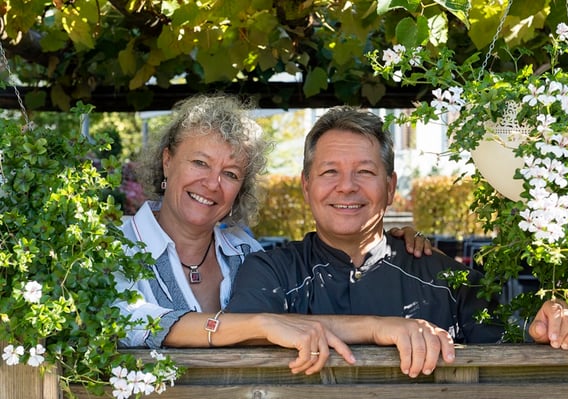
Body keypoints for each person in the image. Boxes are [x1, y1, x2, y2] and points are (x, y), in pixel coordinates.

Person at [226, 105, 568, 376]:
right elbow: (238, 338)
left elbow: (509, 359)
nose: (347, 186)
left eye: (365, 172)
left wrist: (548, 329)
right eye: (330, 172)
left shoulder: (448, 281)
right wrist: (380, 327)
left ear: (390, 187)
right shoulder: (269, 273)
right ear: (306, 186)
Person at [113, 94, 432, 375]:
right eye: (199, 163)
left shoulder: (246, 252)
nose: (212, 183)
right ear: (167, 161)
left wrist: (392, 253)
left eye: (230, 173)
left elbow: (297, 325)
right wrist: (258, 323)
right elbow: (128, 320)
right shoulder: (111, 244)